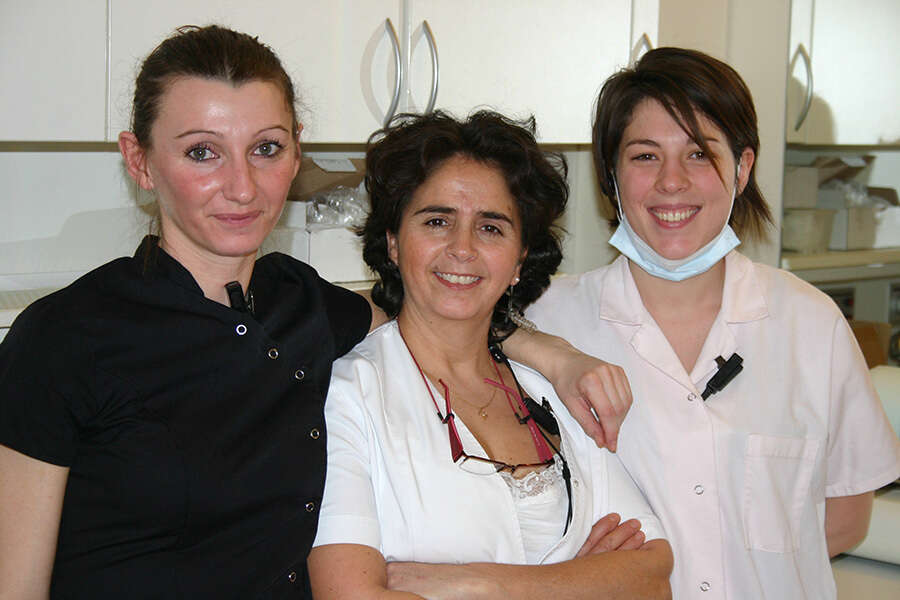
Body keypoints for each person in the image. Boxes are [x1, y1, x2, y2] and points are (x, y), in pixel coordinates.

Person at [0, 25, 631, 600]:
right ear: (139, 160)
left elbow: (435, 311)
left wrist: (555, 356)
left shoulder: (299, 301)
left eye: (266, 148)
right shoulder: (61, 339)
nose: (242, 186)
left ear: (296, 152)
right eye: (202, 152)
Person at [526, 47, 900, 599]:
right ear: (611, 175)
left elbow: (845, 518)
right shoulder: (545, 322)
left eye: (699, 154)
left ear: (742, 169)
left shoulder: (810, 324)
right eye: (645, 156)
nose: (672, 182)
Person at [307, 110, 673, 600]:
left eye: (491, 228)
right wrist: (582, 583)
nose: (462, 249)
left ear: (520, 258)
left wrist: (476, 584)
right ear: (393, 242)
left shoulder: (553, 392)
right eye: (437, 221)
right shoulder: (346, 397)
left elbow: (653, 578)